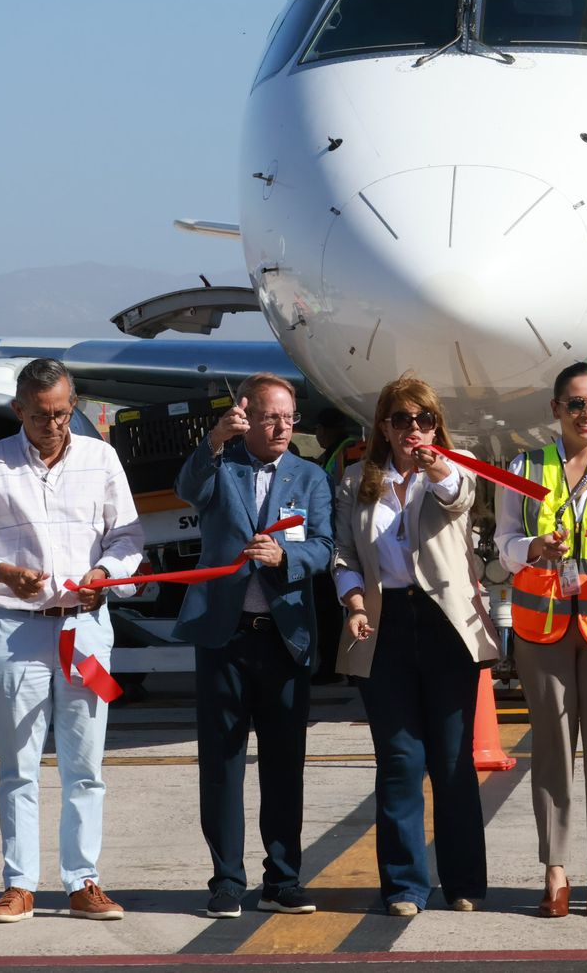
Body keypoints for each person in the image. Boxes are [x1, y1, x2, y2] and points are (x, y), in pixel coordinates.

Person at [0, 359, 143, 924]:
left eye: (61, 414)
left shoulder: (101, 459)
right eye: (39, 417)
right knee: (18, 763)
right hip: (16, 628)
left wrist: (105, 576)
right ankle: (19, 883)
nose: (53, 426)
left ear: (72, 404)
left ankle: (83, 881)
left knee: (85, 762)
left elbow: (127, 536)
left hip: (84, 628)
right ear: (18, 411)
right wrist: (4, 572)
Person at [333, 375, 499, 917]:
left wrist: (436, 466)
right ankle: (405, 884)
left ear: (436, 425)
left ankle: (464, 882)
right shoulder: (357, 479)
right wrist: (354, 604)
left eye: (423, 419)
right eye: (401, 419)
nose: (413, 429)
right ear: (383, 426)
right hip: (383, 624)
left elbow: (460, 500)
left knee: (453, 761)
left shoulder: (456, 467)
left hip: (446, 623)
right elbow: (344, 555)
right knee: (400, 759)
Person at [174, 373, 335, 919]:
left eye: (289, 417)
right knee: (221, 764)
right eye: (270, 417)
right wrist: (214, 441)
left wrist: (285, 559)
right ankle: (226, 879)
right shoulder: (223, 466)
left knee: (284, 765)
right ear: (246, 415)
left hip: (284, 638)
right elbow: (188, 489)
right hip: (225, 635)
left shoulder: (310, 477)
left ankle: (283, 878)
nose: (282, 426)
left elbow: (324, 547)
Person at [495, 363, 587, 918]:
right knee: (553, 750)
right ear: (556, 409)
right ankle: (555, 870)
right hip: (545, 628)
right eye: (577, 404)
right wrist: (535, 548)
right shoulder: (524, 467)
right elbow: (505, 543)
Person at [308, 406, 361, 685]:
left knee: (331, 609)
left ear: (325, 430)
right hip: (335, 537)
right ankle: (344, 667)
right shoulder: (337, 453)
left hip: (338, 539)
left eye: (317, 429)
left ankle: (336, 667)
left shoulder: (345, 453)